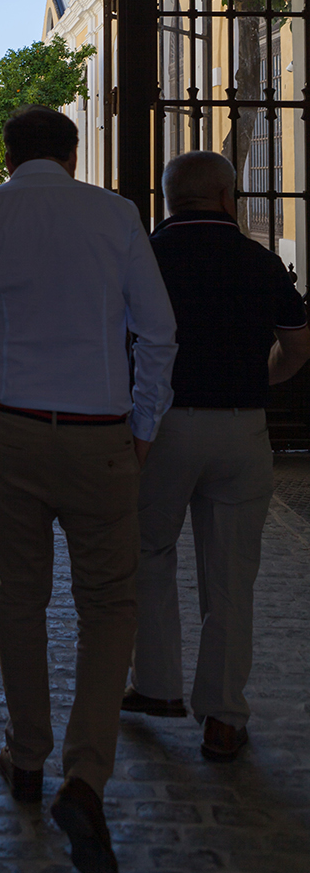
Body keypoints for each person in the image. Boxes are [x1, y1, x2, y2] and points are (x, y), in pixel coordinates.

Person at [0, 106, 177, 873]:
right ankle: (85, 775)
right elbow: (158, 331)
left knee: (20, 596)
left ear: (7, 157)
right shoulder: (116, 214)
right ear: (72, 154)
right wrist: (144, 423)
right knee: (108, 605)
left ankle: (27, 753)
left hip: (11, 427)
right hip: (100, 432)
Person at [123, 151, 310, 762]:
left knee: (149, 554)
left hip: (161, 427)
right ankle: (224, 716)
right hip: (241, 428)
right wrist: (259, 379)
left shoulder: (145, 258)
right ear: (229, 197)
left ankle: (156, 686)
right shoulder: (259, 261)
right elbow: (297, 345)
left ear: (169, 198)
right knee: (230, 575)